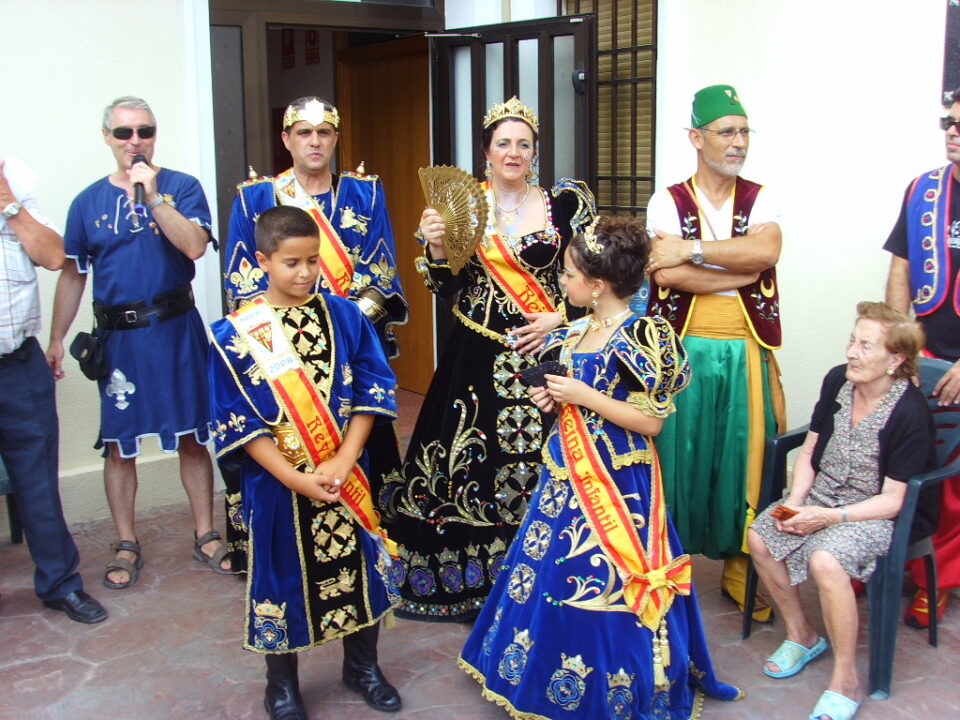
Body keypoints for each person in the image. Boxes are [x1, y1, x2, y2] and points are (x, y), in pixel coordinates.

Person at [459, 216, 742, 718]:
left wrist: (582, 394)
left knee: (605, 579)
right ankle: (538, 669)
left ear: (597, 284)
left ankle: (611, 682)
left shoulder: (642, 335)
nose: (561, 283)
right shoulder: (575, 331)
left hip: (619, 484)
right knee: (548, 577)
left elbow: (650, 423)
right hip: (565, 475)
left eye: (568, 275)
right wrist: (552, 398)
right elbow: (569, 402)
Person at [383, 97, 596, 621]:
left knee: (551, 467)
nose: (514, 152)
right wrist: (434, 251)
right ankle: (468, 583)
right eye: (504, 143)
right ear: (486, 153)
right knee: (468, 465)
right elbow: (445, 288)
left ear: (534, 153)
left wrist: (561, 317)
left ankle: (547, 582)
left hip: (548, 352)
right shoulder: (458, 205)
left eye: (524, 144)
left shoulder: (565, 206)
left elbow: (593, 277)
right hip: (477, 352)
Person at [208, 206, 402, 719]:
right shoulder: (235, 335)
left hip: (344, 473)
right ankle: (282, 684)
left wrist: (344, 456)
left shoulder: (345, 316)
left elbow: (372, 387)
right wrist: (294, 475)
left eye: (313, 261)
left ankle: (362, 667)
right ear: (261, 260)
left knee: (360, 567)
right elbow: (238, 424)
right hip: (277, 484)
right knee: (281, 574)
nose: (304, 272)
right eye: (291, 262)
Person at [45, 96, 230, 589]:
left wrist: (153, 196)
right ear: (107, 137)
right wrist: (57, 337)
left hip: (175, 329)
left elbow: (193, 246)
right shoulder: (86, 203)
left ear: (154, 134)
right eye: (124, 133)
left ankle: (206, 532)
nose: (135, 142)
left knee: (193, 436)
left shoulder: (181, 187)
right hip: (119, 339)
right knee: (118, 445)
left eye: (144, 131)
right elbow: (72, 275)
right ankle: (126, 540)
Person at [222, 96, 407, 572]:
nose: (315, 141)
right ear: (286, 140)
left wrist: (339, 332)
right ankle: (274, 554)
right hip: (279, 355)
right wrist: (286, 338)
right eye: (303, 132)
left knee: (362, 446)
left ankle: (368, 539)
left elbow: (381, 274)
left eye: (324, 132)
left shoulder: (364, 193)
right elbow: (241, 281)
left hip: (348, 344)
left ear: (336, 139)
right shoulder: (255, 197)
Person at [748, 302, 934, 720]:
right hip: (819, 499)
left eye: (866, 346)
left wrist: (829, 519)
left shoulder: (909, 412)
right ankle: (802, 635)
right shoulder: (838, 381)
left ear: (896, 360)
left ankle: (845, 679)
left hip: (872, 515)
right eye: (853, 341)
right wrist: (796, 502)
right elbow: (811, 450)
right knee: (761, 535)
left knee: (826, 559)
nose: (852, 352)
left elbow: (893, 500)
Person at [645, 84, 785, 622]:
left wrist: (695, 250)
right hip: (682, 353)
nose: (739, 142)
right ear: (696, 138)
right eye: (727, 131)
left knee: (745, 461)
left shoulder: (761, 197)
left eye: (744, 131)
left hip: (747, 348)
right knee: (677, 458)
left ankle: (741, 570)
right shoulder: (668, 199)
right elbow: (667, 272)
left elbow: (765, 251)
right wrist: (737, 269)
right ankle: (666, 570)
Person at [0, 156, 107, 623]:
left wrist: (9, 204)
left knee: (37, 483)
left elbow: (53, 256)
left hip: (19, 365)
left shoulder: (17, 195)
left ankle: (60, 584)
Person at [883, 88, 960, 629]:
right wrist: (896, 346)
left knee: (953, 485)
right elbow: (901, 271)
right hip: (926, 353)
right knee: (908, 463)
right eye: (948, 122)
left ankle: (941, 580)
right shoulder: (923, 189)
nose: (952, 131)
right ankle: (901, 564)